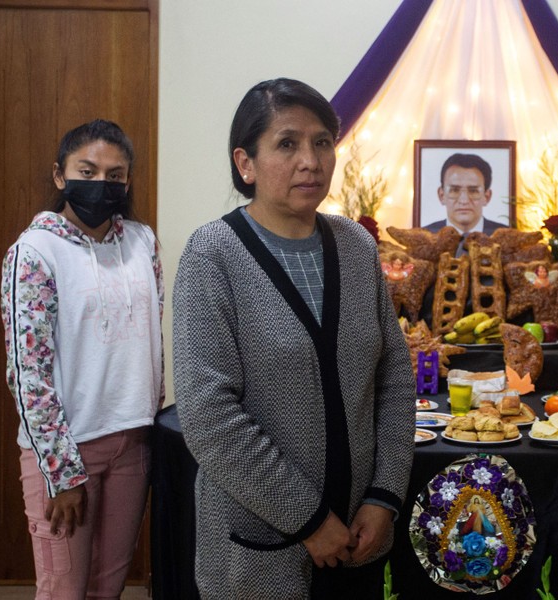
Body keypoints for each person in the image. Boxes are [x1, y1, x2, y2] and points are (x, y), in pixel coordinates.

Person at [172, 78, 415, 599]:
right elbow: (208, 416)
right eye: (287, 143)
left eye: (322, 141)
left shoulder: (354, 245)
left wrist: (383, 496)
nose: (310, 160)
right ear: (246, 163)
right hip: (260, 544)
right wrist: (307, 520)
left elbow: (394, 376)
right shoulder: (212, 255)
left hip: (358, 538)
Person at [1, 119, 164, 599]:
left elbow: (151, 338)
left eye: (115, 176)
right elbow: (28, 373)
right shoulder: (34, 252)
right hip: (67, 452)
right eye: (87, 172)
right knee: (63, 590)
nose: (101, 185)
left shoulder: (143, 242)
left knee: (108, 587)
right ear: (59, 176)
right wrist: (61, 472)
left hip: (133, 442)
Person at [423, 153, 507, 234]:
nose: (464, 201)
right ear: (442, 195)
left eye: (473, 191)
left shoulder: (505, 238)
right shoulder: (425, 238)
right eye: (454, 190)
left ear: (487, 197)